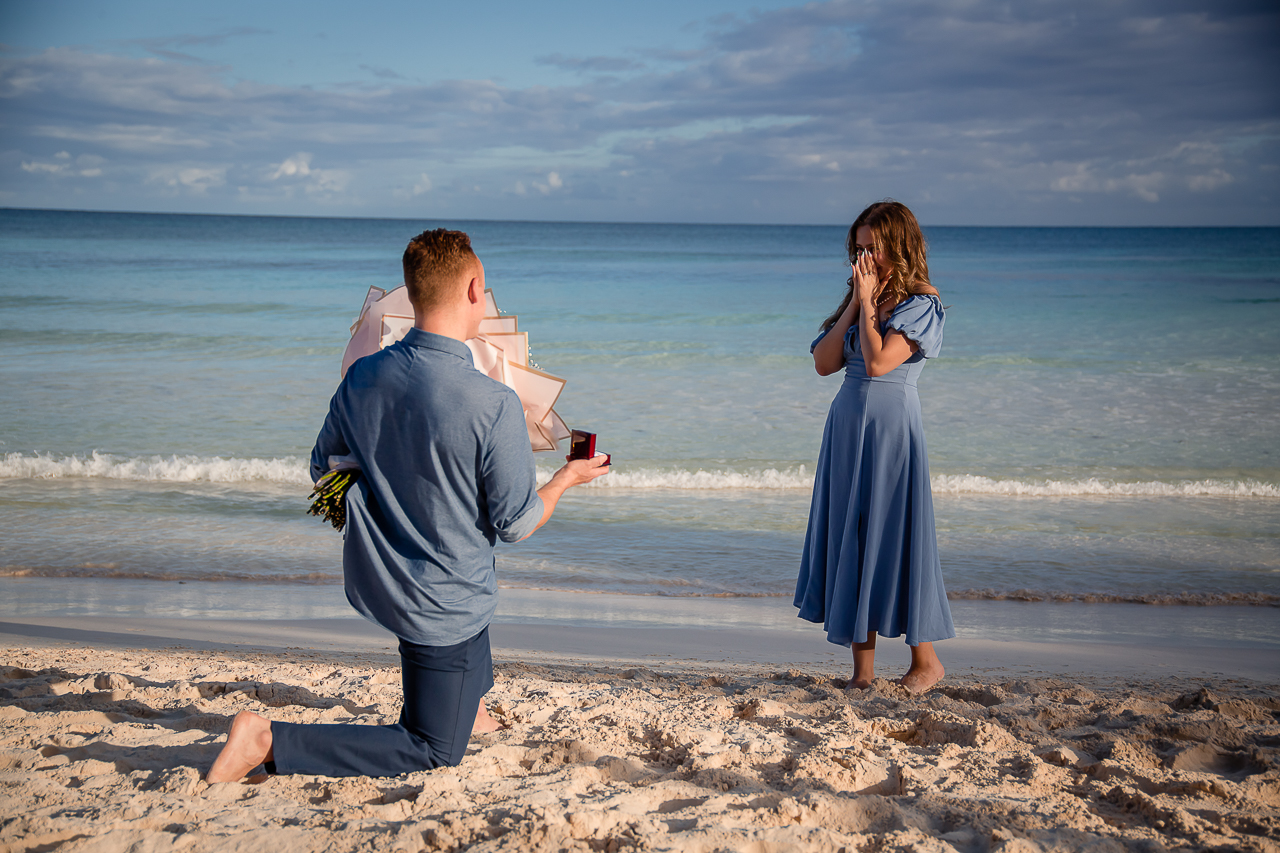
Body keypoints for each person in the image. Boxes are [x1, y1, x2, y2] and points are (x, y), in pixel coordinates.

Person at [207, 229, 610, 782]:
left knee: (464, 580)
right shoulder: (494, 402)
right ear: (474, 291)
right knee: (432, 749)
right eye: (486, 288)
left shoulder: (364, 376)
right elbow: (514, 523)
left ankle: (475, 707)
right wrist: (565, 478)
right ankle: (267, 739)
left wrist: (390, 502)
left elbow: (323, 466)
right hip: (439, 604)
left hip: (387, 574)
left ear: (414, 293)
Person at [794, 200, 954, 694]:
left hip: (890, 430)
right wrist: (853, 303)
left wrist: (867, 305)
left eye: (875, 248)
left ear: (899, 246)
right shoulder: (862, 295)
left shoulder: (921, 305)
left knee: (894, 536)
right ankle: (862, 675)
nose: (865, 258)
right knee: (852, 536)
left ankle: (926, 662)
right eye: (859, 248)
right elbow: (823, 364)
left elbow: (882, 362)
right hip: (846, 426)